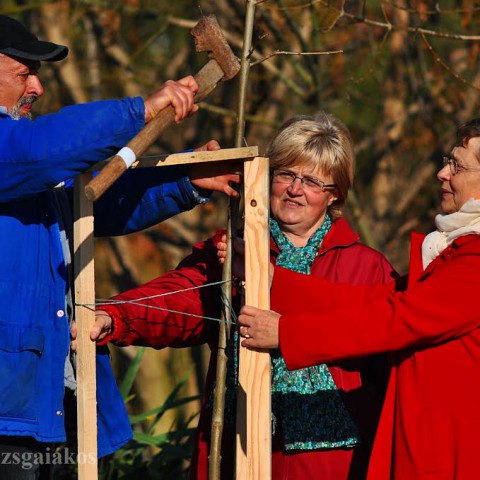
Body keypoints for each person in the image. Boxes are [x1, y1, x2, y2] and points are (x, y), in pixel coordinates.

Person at [80, 112, 397, 479]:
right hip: (239, 443)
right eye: (286, 175)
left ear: (335, 194)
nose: (295, 189)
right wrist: (116, 316)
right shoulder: (231, 249)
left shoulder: (369, 267)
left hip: (335, 456)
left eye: (311, 181)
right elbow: (181, 298)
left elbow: (386, 357)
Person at [0, 14, 240, 479]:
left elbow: (96, 204)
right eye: (23, 73)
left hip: (50, 401)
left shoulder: (31, 170)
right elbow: (34, 150)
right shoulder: (20, 152)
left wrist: (185, 181)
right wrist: (140, 111)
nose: (37, 88)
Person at [237, 118, 480, 480]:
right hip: (428, 445)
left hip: (452, 452)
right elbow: (372, 300)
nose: (442, 173)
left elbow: (395, 319)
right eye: (448, 160)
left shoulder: (474, 260)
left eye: (457, 166)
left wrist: (288, 334)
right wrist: (277, 281)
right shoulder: (453, 251)